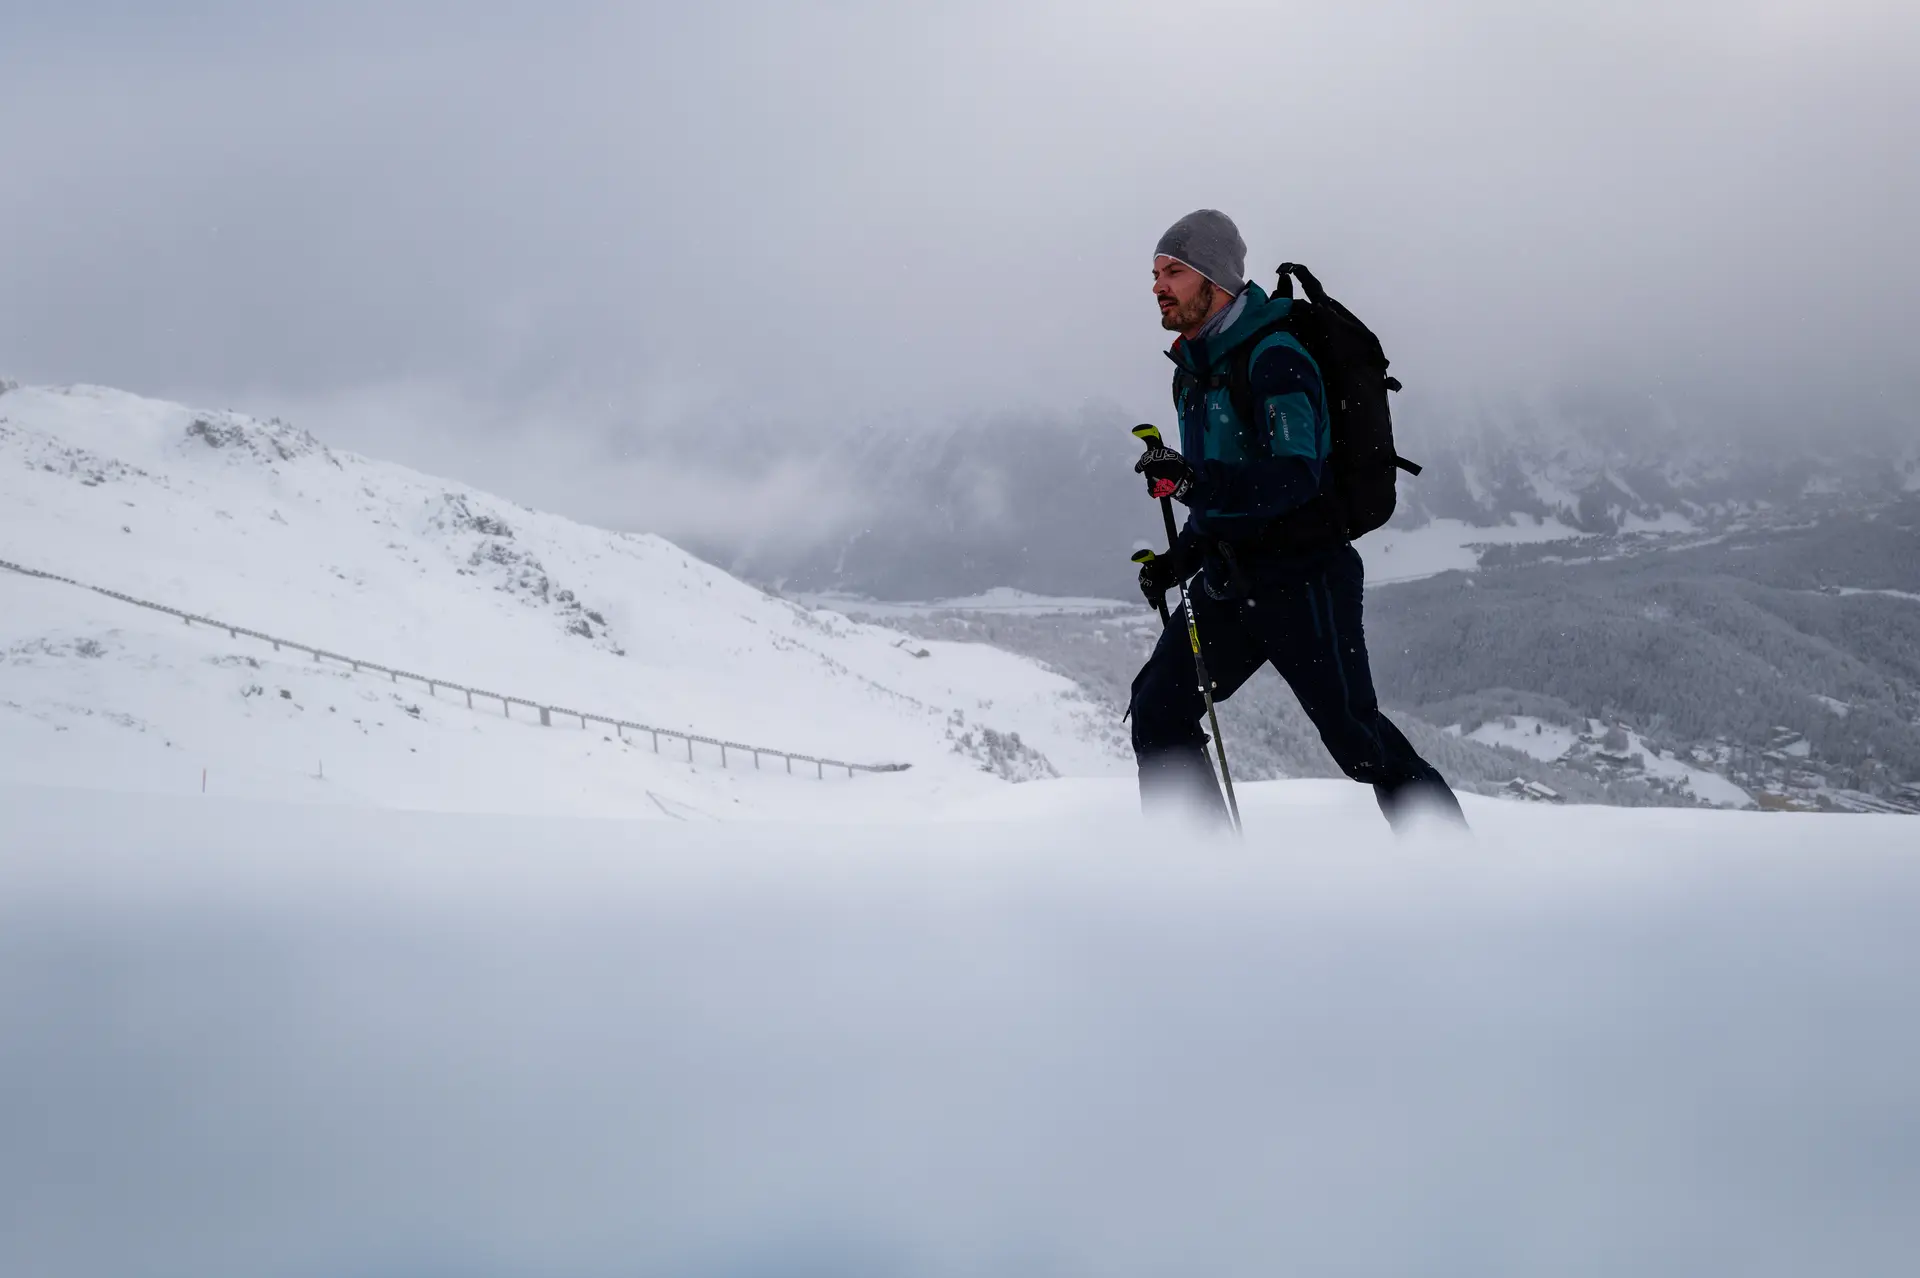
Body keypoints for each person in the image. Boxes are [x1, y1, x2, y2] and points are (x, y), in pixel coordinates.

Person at [1129, 209, 1463, 830]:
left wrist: (1196, 481)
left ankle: (1453, 870)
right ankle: (1194, 881)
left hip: (1306, 580)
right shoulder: (1195, 371)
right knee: (1157, 710)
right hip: (1230, 580)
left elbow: (1293, 477)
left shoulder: (1275, 357)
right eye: (1154, 273)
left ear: (1217, 279)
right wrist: (1181, 560)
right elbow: (1227, 489)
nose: (1157, 285)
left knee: (1360, 745)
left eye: (1174, 271)